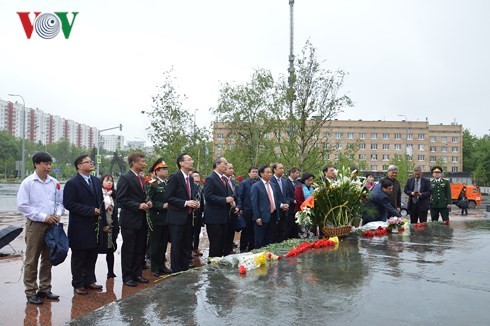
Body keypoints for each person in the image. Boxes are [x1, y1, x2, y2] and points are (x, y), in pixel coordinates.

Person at [17, 152, 63, 305]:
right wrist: (43, 217)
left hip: (52, 224)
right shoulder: (28, 183)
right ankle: (30, 291)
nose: (48, 167)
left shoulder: (54, 182)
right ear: (36, 164)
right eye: (45, 163)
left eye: (50, 163)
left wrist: (57, 214)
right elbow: (23, 205)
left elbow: (60, 202)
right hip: (36, 225)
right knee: (32, 259)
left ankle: (44, 288)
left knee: (48, 258)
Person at [63, 155, 106, 295]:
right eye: (87, 162)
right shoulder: (72, 183)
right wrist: (90, 210)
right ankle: (78, 283)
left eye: (91, 161)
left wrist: (103, 222)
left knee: (92, 255)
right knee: (79, 257)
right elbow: (69, 204)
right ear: (79, 166)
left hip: (94, 225)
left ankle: (90, 280)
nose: (91, 163)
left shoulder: (95, 180)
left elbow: (101, 202)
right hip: (80, 226)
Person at [117, 152, 152, 287]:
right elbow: (121, 198)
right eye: (142, 161)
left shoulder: (142, 179)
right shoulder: (125, 178)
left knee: (140, 248)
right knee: (129, 249)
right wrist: (138, 205)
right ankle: (127, 276)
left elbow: (143, 196)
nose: (144, 164)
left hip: (141, 219)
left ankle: (137, 274)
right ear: (133, 163)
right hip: (130, 220)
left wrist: (147, 202)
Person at [164, 153, 200, 272]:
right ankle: (176, 270)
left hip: (188, 217)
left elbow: (190, 195)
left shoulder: (189, 178)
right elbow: (168, 197)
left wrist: (195, 203)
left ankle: (184, 268)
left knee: (186, 244)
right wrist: (185, 203)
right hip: (176, 217)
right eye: (189, 160)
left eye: (192, 159)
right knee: (177, 245)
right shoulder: (175, 177)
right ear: (181, 163)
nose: (192, 162)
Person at [203, 157, 236, 258]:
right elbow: (208, 196)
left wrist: (231, 201)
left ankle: (220, 264)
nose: (226, 166)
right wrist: (224, 200)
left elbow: (228, 194)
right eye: (224, 164)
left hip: (224, 217)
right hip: (214, 218)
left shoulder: (224, 179)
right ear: (217, 165)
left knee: (223, 243)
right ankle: (212, 268)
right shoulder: (210, 178)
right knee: (215, 245)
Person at [147, 158, 172, 277]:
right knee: (155, 244)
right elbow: (149, 201)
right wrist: (162, 205)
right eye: (163, 169)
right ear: (156, 171)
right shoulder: (152, 184)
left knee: (163, 243)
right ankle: (155, 267)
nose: (166, 171)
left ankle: (162, 264)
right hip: (156, 218)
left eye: (166, 169)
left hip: (166, 218)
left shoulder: (167, 184)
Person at [251, 165, 281, 249]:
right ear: (261, 174)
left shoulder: (273, 185)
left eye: (271, 172)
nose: (270, 174)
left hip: (273, 215)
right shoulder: (256, 186)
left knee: (270, 239)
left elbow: (275, 200)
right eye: (267, 172)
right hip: (262, 217)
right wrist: (257, 217)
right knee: (260, 240)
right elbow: (254, 203)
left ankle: (269, 256)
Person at [98, 175, 119, 279]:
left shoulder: (113, 195)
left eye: (111, 181)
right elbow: (100, 211)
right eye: (107, 180)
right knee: (96, 250)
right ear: (101, 182)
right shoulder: (98, 194)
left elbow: (115, 213)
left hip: (112, 226)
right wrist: (103, 225)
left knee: (111, 250)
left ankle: (110, 272)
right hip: (101, 227)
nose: (109, 182)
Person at [236, 166, 259, 252]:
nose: (255, 173)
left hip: (256, 211)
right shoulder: (244, 183)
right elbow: (240, 196)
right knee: (246, 230)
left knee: (254, 230)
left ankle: (252, 247)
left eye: (256, 172)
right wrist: (240, 207)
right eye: (253, 172)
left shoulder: (259, 183)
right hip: (247, 210)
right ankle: (243, 248)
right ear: (249, 173)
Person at [270, 162, 290, 243]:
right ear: (274, 169)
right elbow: (272, 197)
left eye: (283, 168)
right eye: (280, 168)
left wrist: (287, 204)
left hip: (285, 211)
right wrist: (281, 205)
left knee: (283, 231)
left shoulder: (285, 181)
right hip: (276, 211)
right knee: (275, 233)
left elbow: (287, 195)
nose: (282, 170)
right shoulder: (271, 181)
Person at [223, 163, 238, 255]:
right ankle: (225, 251)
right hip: (224, 212)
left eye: (232, 168)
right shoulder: (222, 181)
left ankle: (229, 250)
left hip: (233, 211)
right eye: (229, 168)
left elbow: (236, 196)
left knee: (231, 232)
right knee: (224, 234)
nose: (232, 170)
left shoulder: (232, 182)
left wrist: (237, 206)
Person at [191, 171, 205, 257]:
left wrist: (203, 210)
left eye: (198, 176)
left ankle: (195, 247)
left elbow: (202, 199)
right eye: (195, 176)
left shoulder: (200, 187)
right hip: (193, 212)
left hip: (199, 212)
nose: (197, 177)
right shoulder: (191, 187)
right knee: (192, 232)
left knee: (197, 231)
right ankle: (191, 248)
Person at [286, 167, 301, 238]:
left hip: (298, 209)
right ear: (291, 173)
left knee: (296, 228)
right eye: (297, 173)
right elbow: (285, 195)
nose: (298, 175)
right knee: (289, 227)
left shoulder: (298, 182)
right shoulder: (285, 182)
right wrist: (293, 201)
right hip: (290, 209)